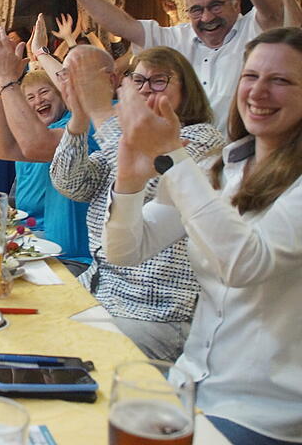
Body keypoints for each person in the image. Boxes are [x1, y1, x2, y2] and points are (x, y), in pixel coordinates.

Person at [103, 27, 302, 445]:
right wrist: (130, 181)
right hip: (187, 387)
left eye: (280, 80)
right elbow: (125, 250)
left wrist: (172, 157)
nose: (258, 92)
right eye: (250, 76)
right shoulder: (221, 168)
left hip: (262, 416)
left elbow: (245, 264)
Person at [50, 46, 224, 361]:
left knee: (61, 355)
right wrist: (79, 119)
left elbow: (151, 184)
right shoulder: (121, 139)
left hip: (153, 311)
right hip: (98, 291)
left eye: (159, 81)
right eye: (138, 81)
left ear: (187, 90)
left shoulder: (203, 138)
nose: (145, 90)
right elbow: (71, 184)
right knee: (25, 328)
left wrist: (101, 111)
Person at [53, 0, 284, 133]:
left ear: (236, 4)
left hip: (244, 160)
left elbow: (275, 11)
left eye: (215, 6)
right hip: (186, 155)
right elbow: (123, 25)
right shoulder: (176, 38)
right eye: (196, 10)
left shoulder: (254, 29)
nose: (206, 17)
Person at [0, 21, 97, 274]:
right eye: (31, 98)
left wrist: (34, 57)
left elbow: (37, 144)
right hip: (47, 248)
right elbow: (3, 149)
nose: (38, 101)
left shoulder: (85, 123)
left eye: (45, 92)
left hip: (79, 261)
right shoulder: (55, 126)